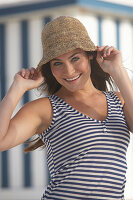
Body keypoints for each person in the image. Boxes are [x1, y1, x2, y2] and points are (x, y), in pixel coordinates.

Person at [0, 16, 133, 200]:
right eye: (57, 63)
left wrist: (118, 71)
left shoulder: (119, 101)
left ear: (90, 55)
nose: (69, 71)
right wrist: (17, 88)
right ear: (50, 68)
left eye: (75, 58)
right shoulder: (47, 108)